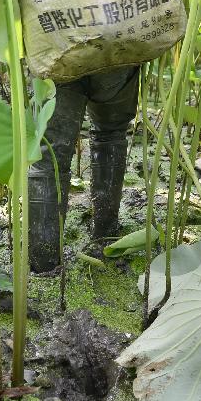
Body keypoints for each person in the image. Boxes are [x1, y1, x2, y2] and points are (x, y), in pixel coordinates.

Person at [28, 65, 140, 272]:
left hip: (59, 51)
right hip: (115, 50)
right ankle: (105, 235)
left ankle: (43, 263)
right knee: (112, 133)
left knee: (48, 155)